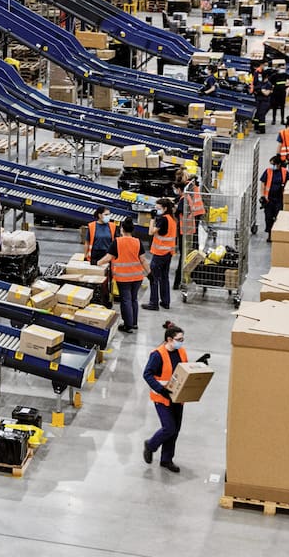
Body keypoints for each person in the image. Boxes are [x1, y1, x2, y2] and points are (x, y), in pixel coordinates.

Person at [142, 322, 187, 473]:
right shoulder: (157, 355)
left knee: (175, 430)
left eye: (182, 340)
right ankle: (150, 445)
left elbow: (185, 370)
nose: (181, 342)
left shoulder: (182, 352)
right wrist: (161, 390)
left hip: (177, 398)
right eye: (179, 339)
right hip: (162, 398)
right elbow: (147, 374)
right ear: (169, 339)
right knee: (169, 428)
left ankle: (166, 459)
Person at [99, 219, 149, 333]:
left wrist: (97, 263)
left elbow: (108, 258)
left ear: (122, 229)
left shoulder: (117, 242)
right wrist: (149, 273)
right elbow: (143, 260)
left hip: (124, 278)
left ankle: (128, 325)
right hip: (137, 277)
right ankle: (134, 323)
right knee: (133, 299)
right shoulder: (137, 242)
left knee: (126, 300)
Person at [142, 197, 177, 312]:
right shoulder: (172, 219)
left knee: (153, 278)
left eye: (158, 208)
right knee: (164, 278)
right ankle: (165, 302)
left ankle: (153, 303)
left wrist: (152, 219)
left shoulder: (163, 219)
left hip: (160, 253)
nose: (156, 210)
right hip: (168, 253)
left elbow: (150, 232)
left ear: (165, 208)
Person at [260, 154, 289, 240]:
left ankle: (277, 233)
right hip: (269, 200)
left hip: (279, 199)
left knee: (278, 217)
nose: (272, 166)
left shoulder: (284, 172)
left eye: (273, 164)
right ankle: (270, 234)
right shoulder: (268, 171)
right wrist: (262, 196)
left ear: (278, 164)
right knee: (268, 217)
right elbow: (262, 183)